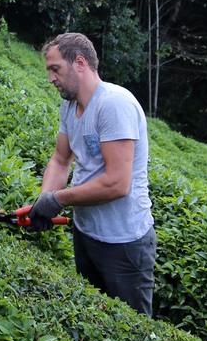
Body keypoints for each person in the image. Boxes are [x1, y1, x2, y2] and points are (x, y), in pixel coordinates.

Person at [25, 32, 156, 316]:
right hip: (86, 234)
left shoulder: (114, 105)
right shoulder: (69, 105)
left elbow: (118, 184)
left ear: (80, 63)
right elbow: (61, 160)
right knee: (93, 317)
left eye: (55, 69)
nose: (51, 78)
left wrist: (58, 199)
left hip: (123, 243)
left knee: (132, 329)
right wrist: (44, 200)